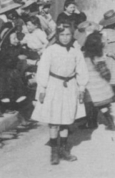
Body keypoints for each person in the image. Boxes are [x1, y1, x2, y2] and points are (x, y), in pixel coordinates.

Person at [31, 23, 89, 165]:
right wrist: (42, 88)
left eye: (68, 34)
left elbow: (81, 69)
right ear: (57, 35)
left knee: (66, 120)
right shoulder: (50, 50)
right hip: (54, 86)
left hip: (70, 87)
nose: (65, 38)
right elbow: (43, 70)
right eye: (62, 34)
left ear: (72, 35)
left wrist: (81, 88)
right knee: (54, 120)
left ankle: (63, 150)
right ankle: (54, 152)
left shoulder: (76, 51)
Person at [0, 22, 28, 117]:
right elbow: (5, 61)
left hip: (13, 73)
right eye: (14, 38)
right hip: (3, 73)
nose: (16, 40)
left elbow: (24, 54)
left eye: (17, 38)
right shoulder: (3, 50)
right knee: (2, 92)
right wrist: (17, 58)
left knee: (12, 91)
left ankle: (8, 107)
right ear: (8, 40)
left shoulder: (17, 48)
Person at [80, 32, 115, 131]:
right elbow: (105, 72)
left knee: (90, 107)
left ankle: (91, 123)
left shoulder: (83, 56)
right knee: (102, 106)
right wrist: (107, 79)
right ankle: (110, 122)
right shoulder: (99, 57)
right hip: (100, 86)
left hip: (89, 87)